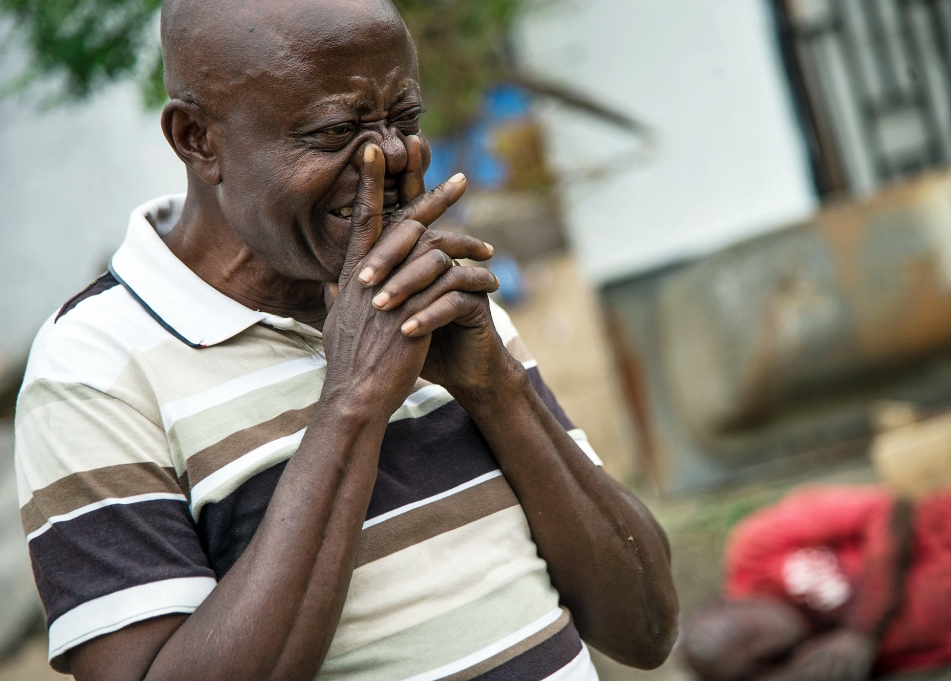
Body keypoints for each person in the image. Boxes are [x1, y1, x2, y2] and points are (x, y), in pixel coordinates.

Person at [13, 1, 679, 679]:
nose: (389, 155)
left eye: (405, 120)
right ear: (198, 140)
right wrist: (353, 401)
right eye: (335, 129)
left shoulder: (427, 288)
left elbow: (646, 625)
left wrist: (495, 389)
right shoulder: (92, 372)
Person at [680, 456, 951, 681]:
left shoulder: (755, 551)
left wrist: (861, 630)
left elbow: (889, 508)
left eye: (747, 634)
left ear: (727, 603)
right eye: (755, 660)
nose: (764, 644)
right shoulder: (820, 660)